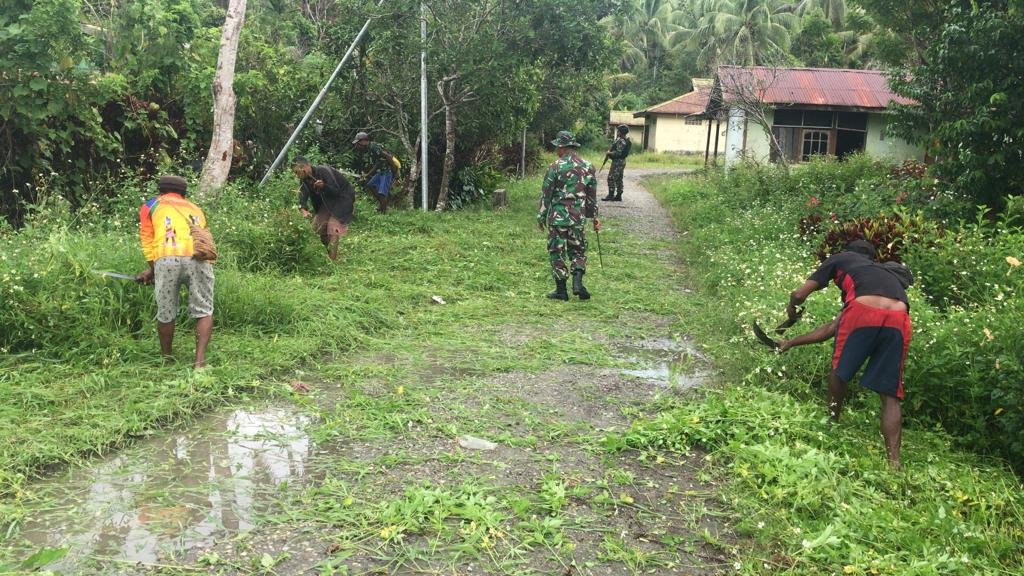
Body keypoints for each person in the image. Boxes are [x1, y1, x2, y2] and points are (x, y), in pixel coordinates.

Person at [778, 239, 913, 468]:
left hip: (862, 312)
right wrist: (790, 342)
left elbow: (800, 294)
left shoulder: (841, 259)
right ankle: (894, 463)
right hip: (901, 318)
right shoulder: (876, 276)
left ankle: (831, 424)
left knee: (839, 373)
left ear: (847, 252)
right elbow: (832, 328)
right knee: (890, 395)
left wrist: (791, 309)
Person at [135, 175, 214, 368]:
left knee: (166, 311)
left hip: (166, 257)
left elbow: (147, 242)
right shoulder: (195, 208)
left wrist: (152, 270)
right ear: (183, 193)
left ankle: (167, 360)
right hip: (199, 259)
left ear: (160, 191)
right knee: (204, 310)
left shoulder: (151, 206)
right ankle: (199, 363)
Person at [537, 130, 600, 301]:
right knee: (578, 250)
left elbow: (546, 194)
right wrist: (594, 217)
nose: (556, 150)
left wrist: (541, 216)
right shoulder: (588, 167)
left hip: (558, 218)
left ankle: (561, 290)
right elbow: (591, 196)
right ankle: (578, 282)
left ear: (562, 147)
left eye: (557, 146)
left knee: (556, 251)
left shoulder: (555, 167)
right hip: (577, 217)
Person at [293, 157, 355, 261]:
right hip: (327, 203)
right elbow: (302, 196)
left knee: (333, 226)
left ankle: (333, 261)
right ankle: (330, 254)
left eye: (297, 171)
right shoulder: (304, 180)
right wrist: (303, 209)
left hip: (343, 199)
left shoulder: (322, 170)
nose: (297, 175)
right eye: (295, 173)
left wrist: (324, 186)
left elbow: (336, 191)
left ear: (305, 166)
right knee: (317, 227)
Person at [352, 131, 399, 214]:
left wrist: (394, 171)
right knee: (370, 184)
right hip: (381, 171)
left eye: (358, 143)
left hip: (387, 171)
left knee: (382, 193)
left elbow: (388, 156)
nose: (357, 146)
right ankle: (382, 205)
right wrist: (368, 174)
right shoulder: (369, 149)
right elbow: (378, 163)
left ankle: (383, 212)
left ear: (364, 141)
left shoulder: (374, 147)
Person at [602, 124, 632, 202]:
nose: (617, 132)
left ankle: (611, 195)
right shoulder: (624, 140)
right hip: (622, 161)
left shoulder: (621, 141)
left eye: (618, 131)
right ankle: (618, 195)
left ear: (621, 132)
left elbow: (618, 153)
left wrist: (609, 153)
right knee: (619, 178)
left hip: (618, 161)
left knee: (611, 178)